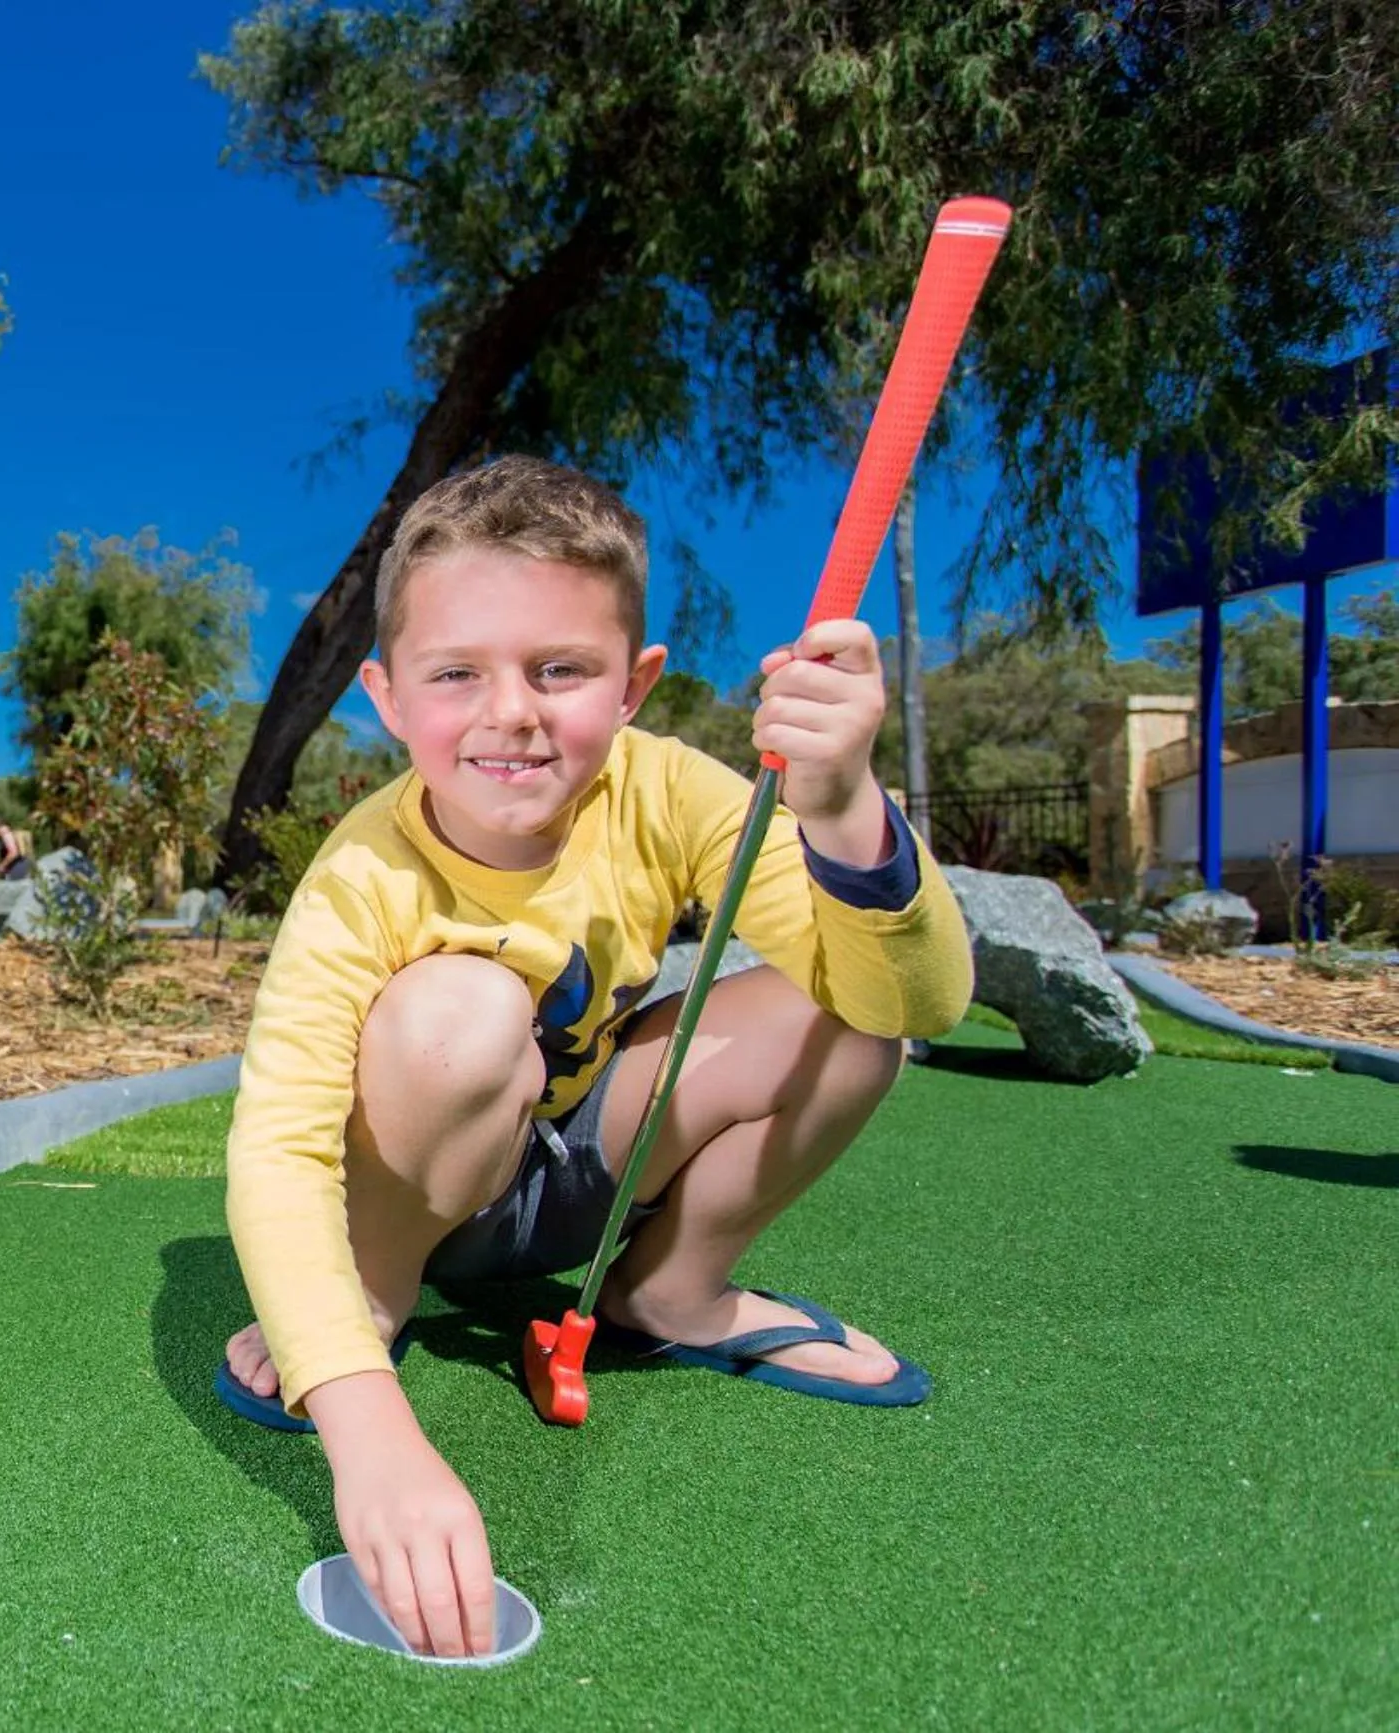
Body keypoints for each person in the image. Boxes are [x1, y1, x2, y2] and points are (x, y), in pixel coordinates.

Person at [218, 455, 970, 1660]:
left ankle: (671, 1289)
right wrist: (361, 1416)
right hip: (427, 1178)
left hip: (589, 1161)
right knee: (454, 1013)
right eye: (455, 671)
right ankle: (370, 1287)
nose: (509, 710)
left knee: (841, 1012)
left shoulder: (667, 788)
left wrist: (841, 810)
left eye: (558, 669)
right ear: (386, 694)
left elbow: (916, 996)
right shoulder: (361, 872)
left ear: (634, 684)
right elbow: (275, 1146)